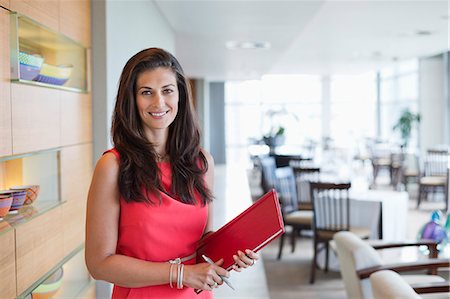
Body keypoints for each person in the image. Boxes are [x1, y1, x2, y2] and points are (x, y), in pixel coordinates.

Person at [85, 48, 258, 299]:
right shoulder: (112, 166)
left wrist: (232, 254)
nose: (158, 102)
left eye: (167, 90)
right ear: (131, 99)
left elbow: (202, 242)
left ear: (180, 96)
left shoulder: (202, 162)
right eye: (146, 92)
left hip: (195, 294)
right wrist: (180, 274)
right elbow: (98, 264)